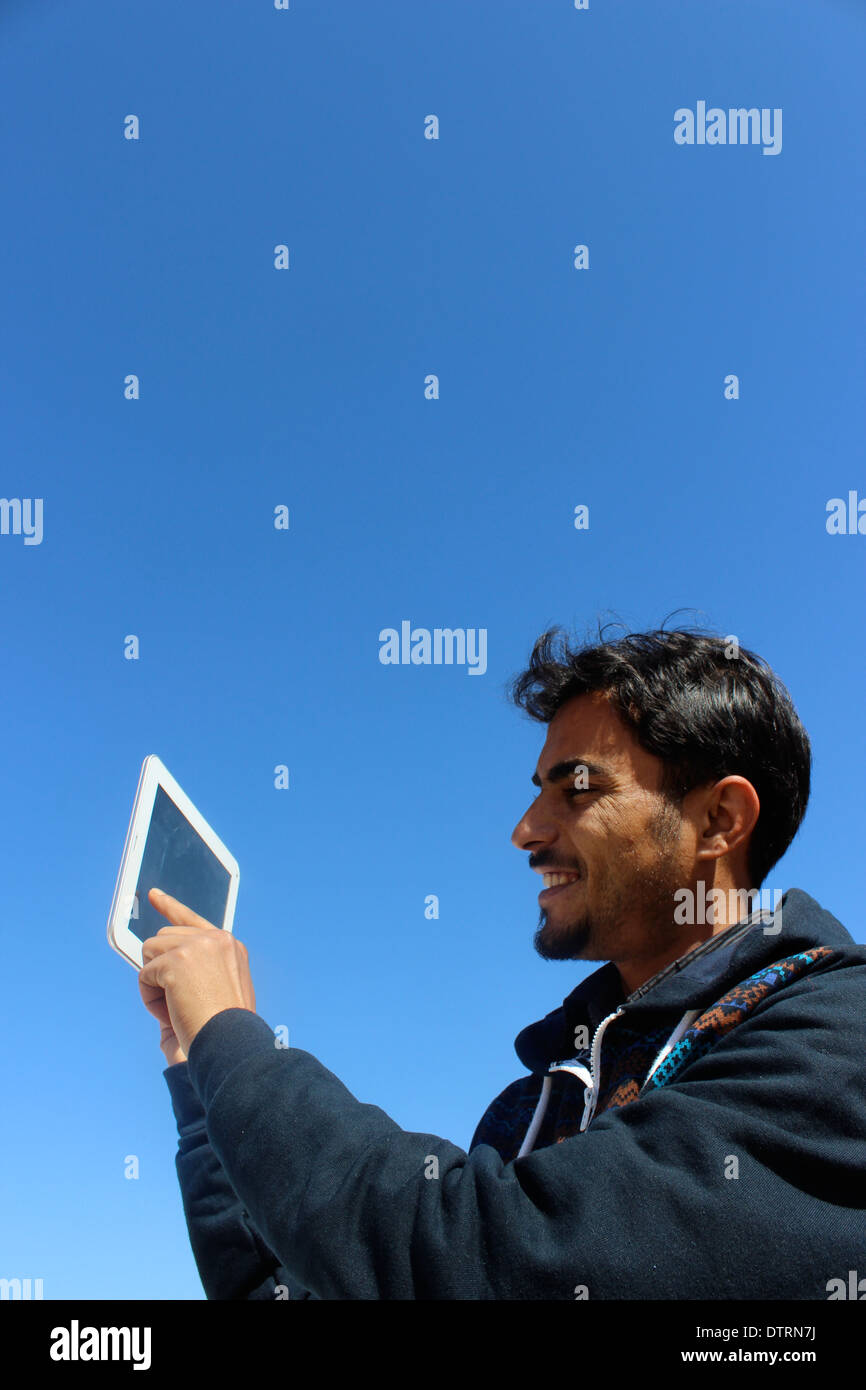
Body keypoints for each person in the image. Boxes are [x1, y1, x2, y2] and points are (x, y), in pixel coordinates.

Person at [141, 623, 866, 1299]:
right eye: (536, 792)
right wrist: (195, 1078)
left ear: (719, 820)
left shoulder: (838, 1030)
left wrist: (232, 1036)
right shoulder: (535, 1106)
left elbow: (487, 1260)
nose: (525, 832)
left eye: (577, 788)